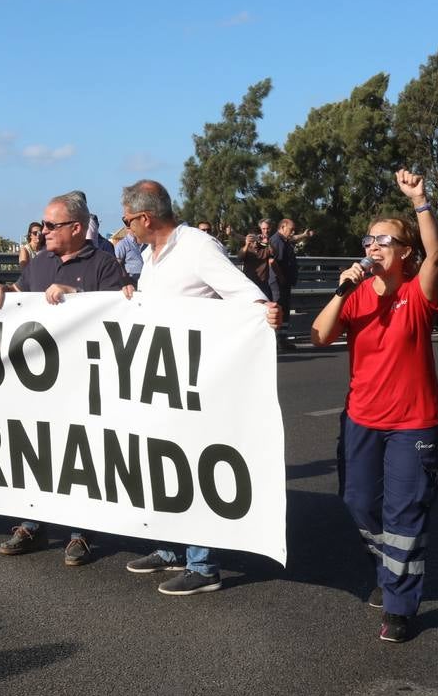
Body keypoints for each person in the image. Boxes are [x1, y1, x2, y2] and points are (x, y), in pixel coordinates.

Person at [117, 179, 281, 596]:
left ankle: (203, 564)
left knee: (188, 468)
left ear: (144, 217)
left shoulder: (196, 246)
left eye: (126, 220)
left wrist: (264, 312)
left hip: (193, 382)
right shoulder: (153, 254)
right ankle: (171, 549)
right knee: (162, 465)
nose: (125, 229)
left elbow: (243, 295)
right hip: (160, 380)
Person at [309, 169, 438, 644]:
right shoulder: (357, 293)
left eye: (385, 240)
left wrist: (420, 201)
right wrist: (342, 289)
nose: (374, 246)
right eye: (369, 239)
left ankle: (399, 604)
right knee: (358, 501)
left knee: (405, 512)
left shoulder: (418, 292)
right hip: (361, 417)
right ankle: (390, 571)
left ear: (405, 251)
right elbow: (320, 335)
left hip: (414, 422)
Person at [0, 191, 128, 566]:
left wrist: (77, 295)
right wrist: (3, 290)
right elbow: (19, 293)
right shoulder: (41, 262)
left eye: (52, 225)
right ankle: (30, 524)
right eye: (44, 224)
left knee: (79, 454)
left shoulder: (104, 263)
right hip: (39, 379)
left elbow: (124, 313)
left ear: (77, 228)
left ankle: (80, 532)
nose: (44, 231)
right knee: (35, 450)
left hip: (84, 381)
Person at [269, 218, 311, 348]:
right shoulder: (277, 241)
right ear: (282, 227)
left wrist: (304, 235)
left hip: (284, 282)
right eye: (291, 229)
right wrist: (281, 277)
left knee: (285, 310)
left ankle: (282, 339)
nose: (293, 232)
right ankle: (278, 340)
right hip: (278, 283)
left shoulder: (284, 240)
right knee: (280, 310)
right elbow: (272, 261)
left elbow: (293, 239)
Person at [241, 223, 277, 303]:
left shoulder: (264, 247)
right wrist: (247, 244)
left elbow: (274, 253)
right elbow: (240, 256)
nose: (254, 241)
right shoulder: (247, 249)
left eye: (256, 238)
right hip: (249, 284)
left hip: (263, 284)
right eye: (252, 238)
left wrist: (267, 242)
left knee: (266, 306)